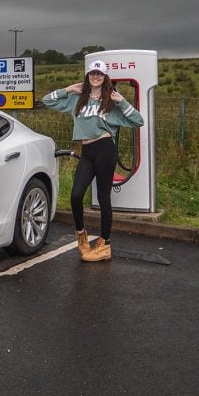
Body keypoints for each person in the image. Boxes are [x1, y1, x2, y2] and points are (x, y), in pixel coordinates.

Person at [42, 59, 144, 262]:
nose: (95, 76)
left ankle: (105, 244)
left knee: (103, 197)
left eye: (99, 74)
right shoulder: (78, 99)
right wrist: (68, 89)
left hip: (105, 150)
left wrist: (121, 101)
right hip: (87, 151)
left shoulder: (111, 101)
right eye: (92, 73)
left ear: (105, 77)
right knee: (76, 195)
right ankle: (81, 234)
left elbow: (138, 120)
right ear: (88, 76)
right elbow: (47, 100)